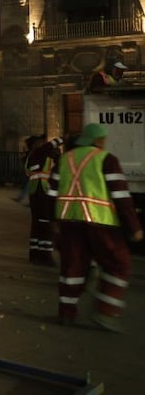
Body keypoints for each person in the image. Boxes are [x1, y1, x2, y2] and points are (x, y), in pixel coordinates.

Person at [47, 123, 143, 332]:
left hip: (69, 223)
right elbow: (121, 197)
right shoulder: (106, 159)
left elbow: (51, 194)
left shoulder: (64, 160)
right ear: (98, 140)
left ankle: (66, 314)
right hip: (101, 224)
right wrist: (134, 227)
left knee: (71, 268)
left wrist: (53, 223)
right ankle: (106, 312)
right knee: (119, 264)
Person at [25, 135, 64, 266]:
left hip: (37, 192)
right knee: (45, 223)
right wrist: (63, 138)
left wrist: (57, 156)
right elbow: (48, 147)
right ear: (33, 145)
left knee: (38, 224)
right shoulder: (37, 152)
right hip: (41, 192)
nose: (43, 144)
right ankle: (45, 255)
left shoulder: (38, 155)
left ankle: (35, 253)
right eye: (39, 142)